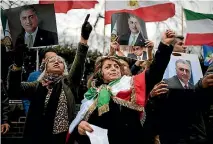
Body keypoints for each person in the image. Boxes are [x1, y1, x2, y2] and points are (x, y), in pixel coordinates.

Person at [66, 30, 176, 144]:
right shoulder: (91, 95)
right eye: (108, 67)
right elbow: (80, 127)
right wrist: (80, 129)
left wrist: (164, 45)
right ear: (100, 73)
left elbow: (155, 72)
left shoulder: (132, 83)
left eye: (116, 66)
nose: (113, 68)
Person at [7, 14, 92, 144]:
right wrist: (17, 65)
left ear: (64, 68)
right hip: (37, 137)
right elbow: (14, 90)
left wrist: (84, 39)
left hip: (62, 139)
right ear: (44, 67)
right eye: (52, 60)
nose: (57, 62)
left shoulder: (69, 83)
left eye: (60, 61)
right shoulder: (37, 85)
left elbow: (79, 62)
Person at [22, 48, 57, 114]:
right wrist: (29, 113)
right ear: (43, 60)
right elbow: (26, 97)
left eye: (56, 58)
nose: (54, 60)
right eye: (51, 58)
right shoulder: (34, 76)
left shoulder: (60, 76)